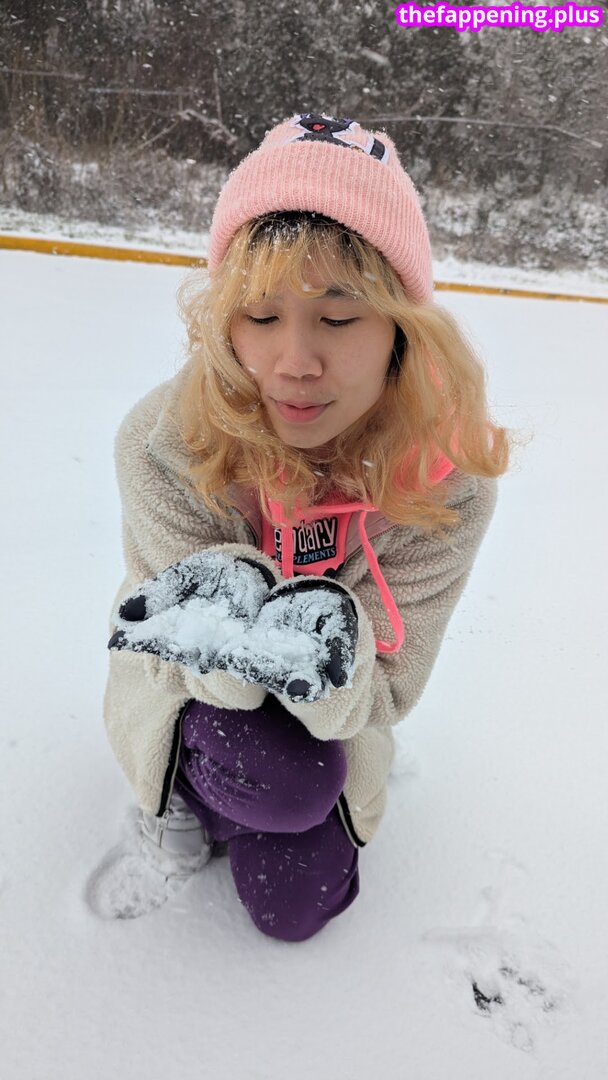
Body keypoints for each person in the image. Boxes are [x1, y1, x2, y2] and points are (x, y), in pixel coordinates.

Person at [86, 112, 510, 941]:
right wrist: (235, 632)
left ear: (402, 330)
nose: (294, 363)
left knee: (293, 909)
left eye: (339, 318)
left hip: (339, 727)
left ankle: (268, 802)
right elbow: (175, 655)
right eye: (260, 315)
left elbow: (388, 688)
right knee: (281, 778)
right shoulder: (165, 444)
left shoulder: (446, 484)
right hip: (191, 700)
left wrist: (321, 653)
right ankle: (182, 791)